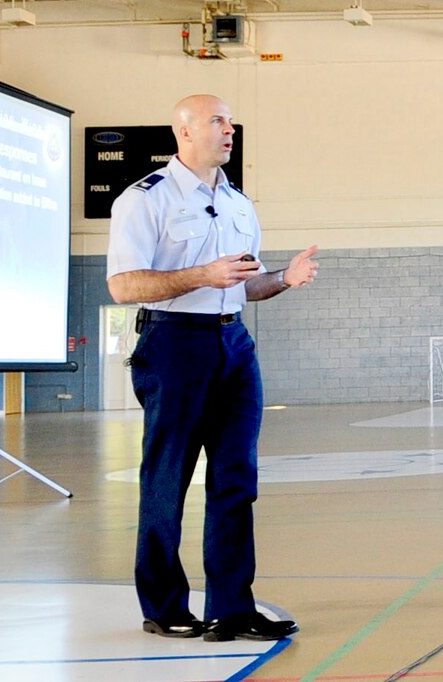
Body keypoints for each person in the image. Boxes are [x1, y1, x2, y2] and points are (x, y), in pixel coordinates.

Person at [107, 94, 314, 642]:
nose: (229, 129)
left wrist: (284, 280)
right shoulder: (144, 199)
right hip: (174, 344)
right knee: (168, 478)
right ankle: (164, 604)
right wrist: (201, 275)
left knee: (236, 479)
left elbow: (247, 284)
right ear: (185, 133)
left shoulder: (240, 204)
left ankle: (232, 608)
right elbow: (125, 286)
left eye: (230, 121)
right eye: (217, 120)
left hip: (234, 346)